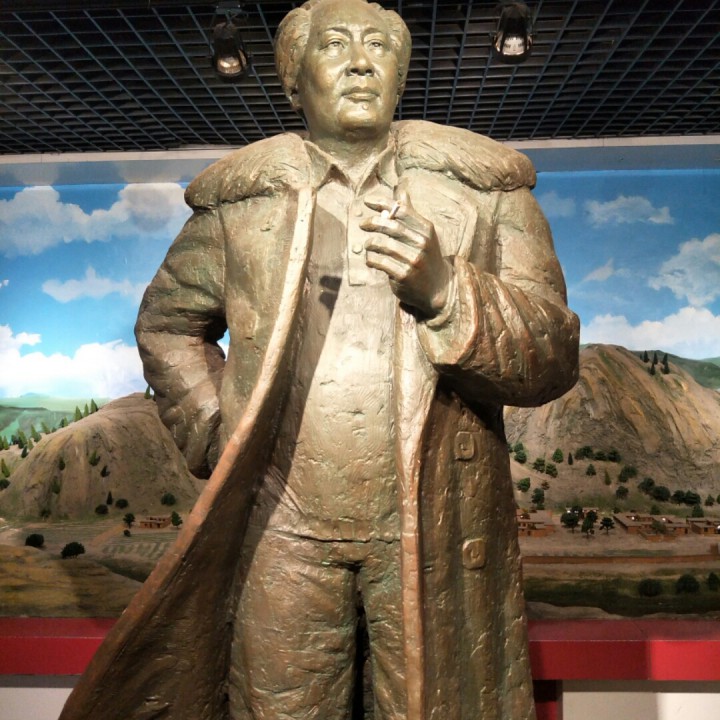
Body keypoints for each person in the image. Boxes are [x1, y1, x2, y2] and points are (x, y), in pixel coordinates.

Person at [60, 1, 579, 719]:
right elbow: (168, 326)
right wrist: (217, 430)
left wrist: (447, 293)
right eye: (335, 45)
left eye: (379, 47)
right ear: (294, 80)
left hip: (431, 522)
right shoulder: (240, 206)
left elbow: (553, 353)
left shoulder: (485, 194)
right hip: (283, 522)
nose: (361, 62)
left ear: (401, 75)